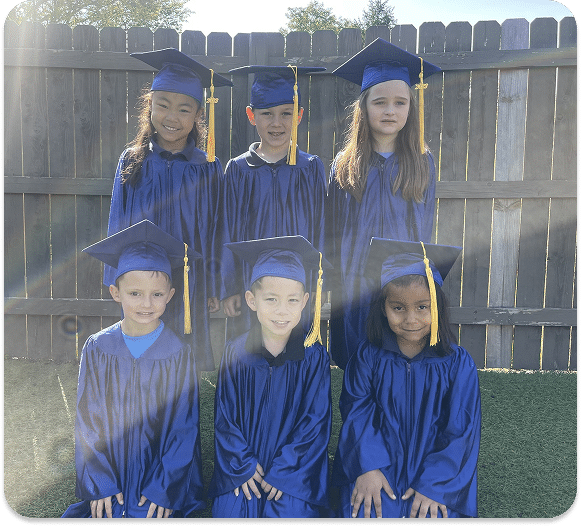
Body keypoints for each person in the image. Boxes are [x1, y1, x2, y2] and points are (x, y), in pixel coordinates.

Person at [62, 220, 204, 519]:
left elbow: (183, 427)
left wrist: (164, 489)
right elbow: (88, 420)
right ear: (116, 292)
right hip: (110, 470)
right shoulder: (98, 347)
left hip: (159, 477)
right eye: (135, 293)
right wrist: (100, 483)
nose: (146, 304)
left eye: (157, 294)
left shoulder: (178, 353)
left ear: (171, 294)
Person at [332, 238, 481, 519]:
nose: (411, 319)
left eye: (423, 307)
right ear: (383, 308)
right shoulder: (367, 357)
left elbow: (461, 429)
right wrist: (368, 468)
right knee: (367, 510)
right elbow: (357, 412)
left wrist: (436, 485)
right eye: (398, 308)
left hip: (435, 473)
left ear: (438, 306)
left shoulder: (457, 363)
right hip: (379, 466)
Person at [105, 48, 233, 372]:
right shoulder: (132, 160)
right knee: (141, 353)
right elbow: (117, 221)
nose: (172, 117)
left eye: (184, 109)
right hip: (141, 277)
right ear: (150, 106)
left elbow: (219, 229)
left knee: (184, 358)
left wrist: (216, 284)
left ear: (198, 115)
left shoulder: (208, 167)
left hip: (192, 280)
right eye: (162, 105)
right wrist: (115, 276)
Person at [327, 38, 441, 369]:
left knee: (401, 360)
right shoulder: (345, 163)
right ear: (363, 108)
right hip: (355, 280)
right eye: (379, 102)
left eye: (399, 103)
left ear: (410, 108)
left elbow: (426, 225)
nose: (390, 110)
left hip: (403, 280)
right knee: (359, 362)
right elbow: (333, 228)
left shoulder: (422, 162)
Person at [209, 236, 333, 518]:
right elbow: (225, 417)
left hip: (294, 471)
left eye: (292, 300)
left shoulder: (314, 356)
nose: (281, 310)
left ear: (305, 302)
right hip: (244, 468)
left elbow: (315, 420)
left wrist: (286, 470)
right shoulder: (236, 352)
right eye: (271, 299)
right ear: (251, 301)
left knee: (291, 511)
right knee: (232, 512)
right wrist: (242, 464)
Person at [216, 65, 327, 339]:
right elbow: (227, 229)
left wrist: (320, 282)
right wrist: (230, 287)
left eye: (286, 113)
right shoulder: (238, 169)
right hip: (251, 283)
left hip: (298, 284)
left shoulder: (310, 167)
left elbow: (322, 228)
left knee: (296, 348)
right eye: (267, 113)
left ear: (299, 116)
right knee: (250, 347)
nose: (277, 123)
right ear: (251, 116)